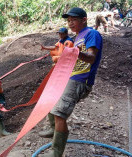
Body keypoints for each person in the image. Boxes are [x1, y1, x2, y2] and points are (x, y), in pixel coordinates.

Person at [40, 7, 103, 157]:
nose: (70, 23)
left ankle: (56, 152)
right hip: (71, 76)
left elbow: (91, 57)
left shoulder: (91, 34)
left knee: (60, 113)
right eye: (68, 21)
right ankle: (53, 128)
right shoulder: (77, 37)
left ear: (84, 20)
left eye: (73, 20)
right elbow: (74, 58)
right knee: (51, 98)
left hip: (81, 80)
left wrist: (75, 52)